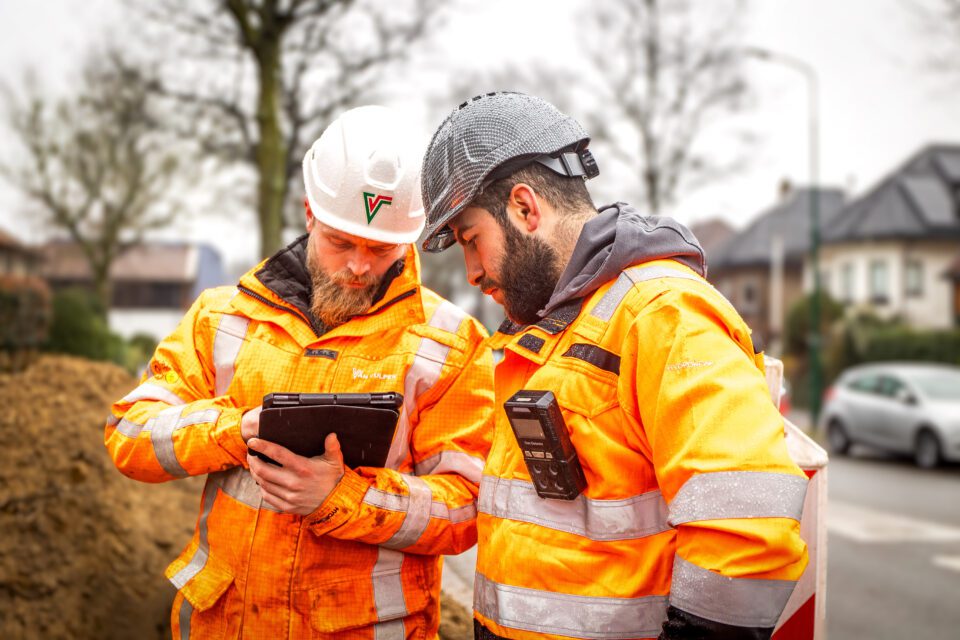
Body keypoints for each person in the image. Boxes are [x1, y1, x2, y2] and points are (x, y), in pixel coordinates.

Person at [420, 92, 809, 640]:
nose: (472, 273)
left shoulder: (662, 314)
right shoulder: (549, 333)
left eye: (471, 240)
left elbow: (747, 534)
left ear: (525, 209)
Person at [105, 105, 494, 639]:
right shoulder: (224, 318)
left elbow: (468, 508)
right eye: (341, 242)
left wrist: (341, 499)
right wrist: (235, 430)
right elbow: (128, 434)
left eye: (381, 249)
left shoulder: (449, 345)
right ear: (310, 212)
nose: (359, 265)